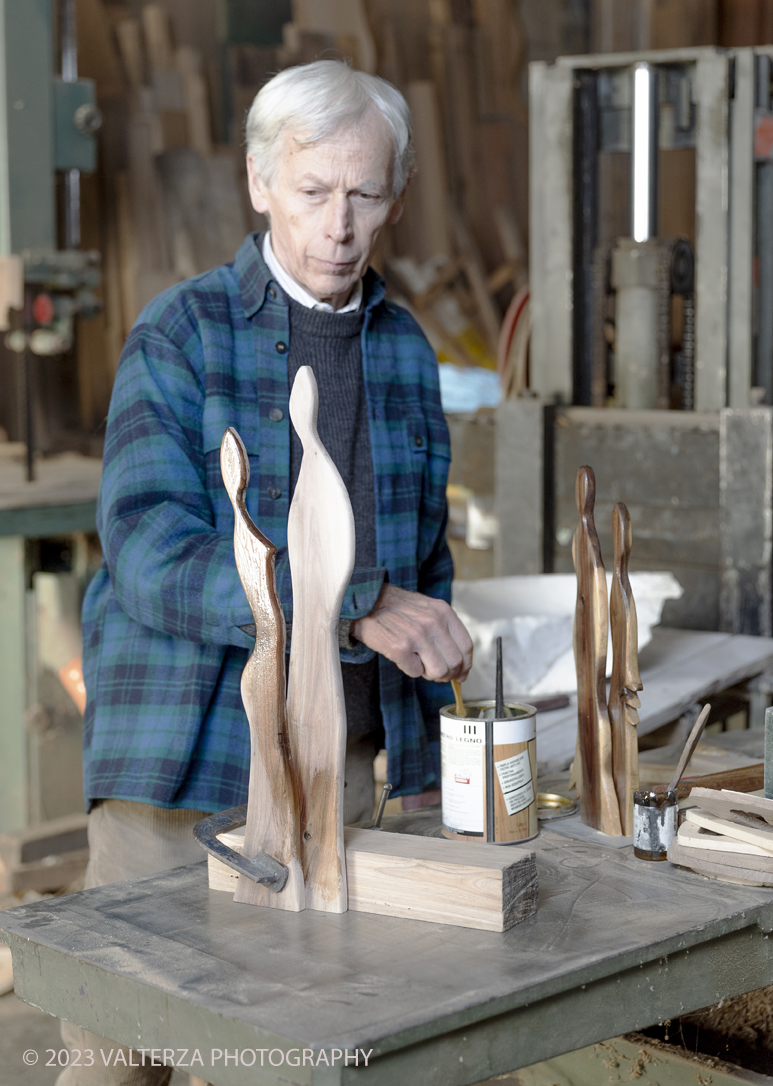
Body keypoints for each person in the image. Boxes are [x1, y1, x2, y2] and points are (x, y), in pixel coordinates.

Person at [57, 60, 472, 1084]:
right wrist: (349, 603)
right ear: (258, 182)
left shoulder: (407, 353)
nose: (337, 225)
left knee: (291, 1061)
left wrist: (424, 772)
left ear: (396, 199)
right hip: (186, 779)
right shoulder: (181, 334)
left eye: (363, 196)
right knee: (120, 1060)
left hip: (346, 779)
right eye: (311, 191)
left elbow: (425, 564)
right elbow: (151, 554)